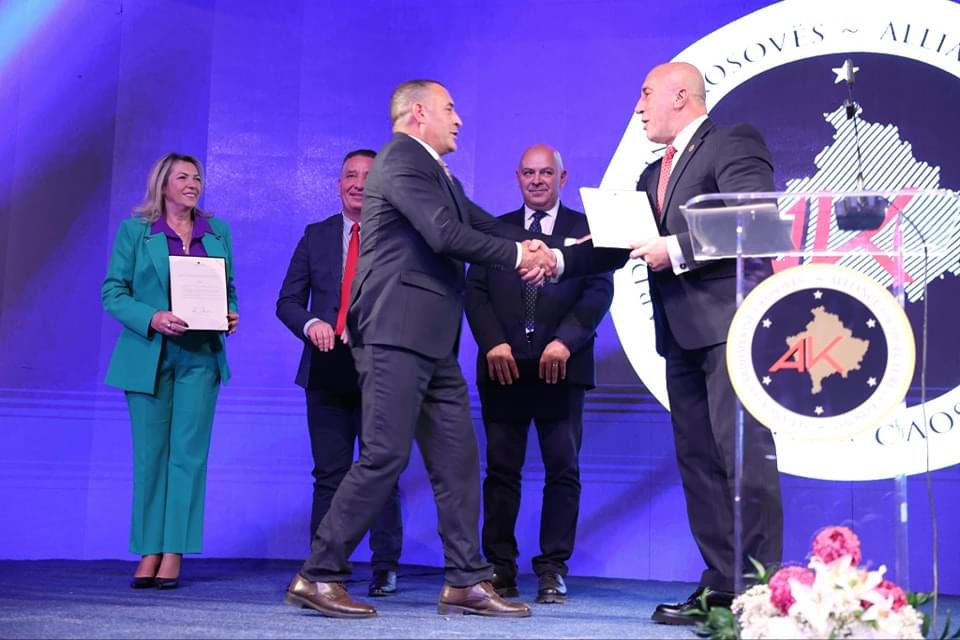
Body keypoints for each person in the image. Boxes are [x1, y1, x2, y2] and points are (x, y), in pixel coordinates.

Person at [284, 79, 561, 619]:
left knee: (458, 460)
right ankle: (317, 574)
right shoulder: (401, 159)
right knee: (385, 454)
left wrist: (545, 248)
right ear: (418, 113)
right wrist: (518, 256)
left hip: (431, 339)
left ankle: (466, 580)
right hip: (395, 330)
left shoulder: (434, 170)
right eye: (449, 109)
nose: (458, 119)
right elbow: (444, 234)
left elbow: (476, 221)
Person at [563, 62, 783, 624]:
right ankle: (721, 588)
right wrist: (555, 260)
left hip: (731, 330)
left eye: (645, 95)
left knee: (743, 462)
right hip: (680, 337)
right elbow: (619, 245)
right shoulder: (650, 173)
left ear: (681, 95)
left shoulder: (731, 142)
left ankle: (760, 596)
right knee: (699, 463)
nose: (638, 108)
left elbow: (758, 223)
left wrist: (678, 248)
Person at [464, 144, 613, 604]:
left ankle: (552, 570)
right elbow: (475, 292)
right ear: (517, 177)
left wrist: (564, 342)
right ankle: (500, 568)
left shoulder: (587, 232)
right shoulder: (496, 230)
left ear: (562, 178)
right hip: (504, 368)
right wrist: (493, 343)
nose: (537, 180)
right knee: (501, 472)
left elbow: (598, 292)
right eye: (528, 173)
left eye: (546, 173)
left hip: (562, 369)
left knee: (562, 470)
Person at [101, 152, 239, 590]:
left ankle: (174, 550)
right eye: (182, 177)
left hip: (200, 357)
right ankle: (149, 549)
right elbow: (113, 292)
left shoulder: (217, 232)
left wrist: (230, 313)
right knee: (150, 457)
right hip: (148, 356)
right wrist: (152, 317)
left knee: (188, 457)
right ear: (162, 185)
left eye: (196, 177)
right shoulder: (135, 232)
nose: (192, 184)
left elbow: (228, 289)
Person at [276, 149, 403, 598]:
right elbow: (287, 301)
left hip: (381, 369)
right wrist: (311, 323)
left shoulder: (399, 237)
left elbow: (410, 301)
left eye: (369, 176)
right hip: (326, 369)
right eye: (350, 175)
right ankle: (324, 568)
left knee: (381, 472)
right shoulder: (317, 235)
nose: (359, 184)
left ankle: (385, 566)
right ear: (338, 184)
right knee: (329, 474)